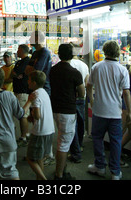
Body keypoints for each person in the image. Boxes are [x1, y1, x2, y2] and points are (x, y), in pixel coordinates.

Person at [86, 40, 131, 180]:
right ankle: (115, 172)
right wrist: (129, 112)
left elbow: (88, 85)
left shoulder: (97, 67)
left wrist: (91, 99)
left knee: (97, 138)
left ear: (104, 51)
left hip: (99, 110)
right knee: (116, 141)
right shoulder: (122, 69)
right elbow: (126, 93)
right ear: (117, 52)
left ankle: (99, 166)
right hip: (115, 113)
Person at [49, 43, 85, 180]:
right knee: (64, 143)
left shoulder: (53, 70)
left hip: (55, 108)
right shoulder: (74, 72)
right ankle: (59, 175)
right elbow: (82, 93)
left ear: (59, 54)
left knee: (61, 139)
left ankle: (62, 170)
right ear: (72, 55)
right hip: (68, 111)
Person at [25, 30, 53, 165]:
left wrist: (30, 69)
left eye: (31, 37)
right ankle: (39, 152)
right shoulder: (35, 53)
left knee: (40, 118)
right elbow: (27, 70)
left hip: (43, 88)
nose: (29, 39)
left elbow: (36, 71)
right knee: (35, 118)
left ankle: (47, 153)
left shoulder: (45, 53)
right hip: (35, 86)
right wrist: (30, 69)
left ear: (38, 39)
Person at [26, 70, 54, 180]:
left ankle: (43, 178)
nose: (27, 82)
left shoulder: (34, 94)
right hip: (50, 130)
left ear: (34, 83)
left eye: (29, 80)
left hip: (40, 132)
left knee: (30, 158)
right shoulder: (44, 92)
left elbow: (37, 115)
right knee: (40, 158)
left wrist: (32, 113)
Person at [68, 44, 89, 164]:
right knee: (81, 122)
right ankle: (80, 145)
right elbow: (87, 82)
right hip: (82, 97)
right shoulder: (84, 65)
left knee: (73, 124)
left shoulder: (69, 64)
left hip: (71, 98)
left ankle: (75, 150)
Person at [11, 44, 31, 147]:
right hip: (18, 90)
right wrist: (15, 74)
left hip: (23, 91)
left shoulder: (27, 61)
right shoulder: (19, 62)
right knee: (21, 114)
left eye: (18, 50)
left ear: (22, 51)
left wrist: (16, 74)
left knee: (23, 115)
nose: (17, 52)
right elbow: (13, 73)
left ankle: (25, 136)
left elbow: (17, 72)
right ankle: (24, 135)